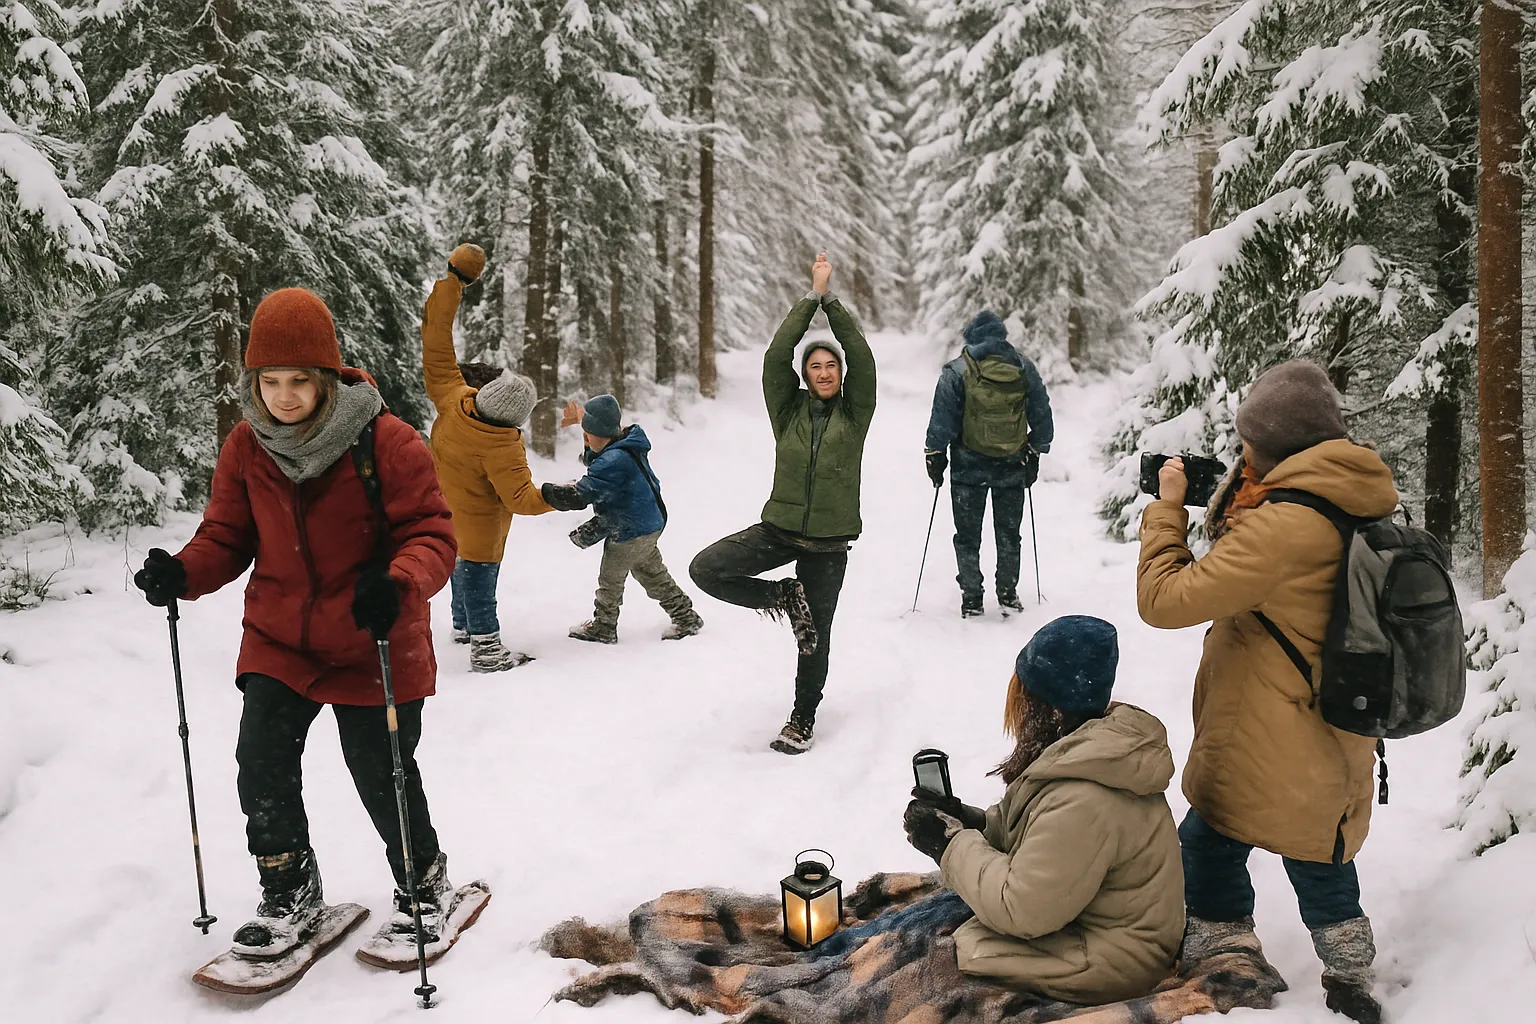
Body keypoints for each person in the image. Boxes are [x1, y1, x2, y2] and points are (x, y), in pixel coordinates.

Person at [131, 286, 462, 960]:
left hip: (374, 635)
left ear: (328, 376)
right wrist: (184, 574)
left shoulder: (386, 441)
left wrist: (398, 585)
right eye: (270, 381)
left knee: (381, 770)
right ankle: (290, 895)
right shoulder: (247, 446)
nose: (283, 396)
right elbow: (226, 535)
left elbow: (433, 534)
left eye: (299, 380)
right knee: (261, 763)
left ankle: (426, 887)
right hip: (281, 640)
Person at [1137, 360, 1396, 1024]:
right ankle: (1343, 967)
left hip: (1279, 725)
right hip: (1318, 715)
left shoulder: (1285, 525)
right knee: (1301, 842)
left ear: (1273, 444)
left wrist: (1167, 510)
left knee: (1241, 838)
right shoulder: (1347, 494)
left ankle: (1238, 949)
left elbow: (1163, 601)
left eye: (1249, 440)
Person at [903, 615, 1183, 1003]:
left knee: (953, 955)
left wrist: (950, 846)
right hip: (1094, 922)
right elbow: (1039, 836)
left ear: (1045, 707)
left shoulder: (1085, 799)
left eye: (1021, 697)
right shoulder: (1088, 746)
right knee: (959, 936)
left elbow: (1020, 909)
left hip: (1116, 955)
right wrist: (971, 822)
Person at [689, 252, 876, 754]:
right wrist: (808, 299)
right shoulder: (787, 410)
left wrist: (831, 304)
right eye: (815, 366)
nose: (824, 371)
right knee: (706, 569)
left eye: (830, 365)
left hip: (829, 543)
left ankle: (802, 718)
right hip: (779, 529)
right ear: (805, 374)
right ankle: (781, 598)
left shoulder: (855, 415)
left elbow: (862, 356)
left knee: (814, 638)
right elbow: (776, 356)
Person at [420, 243, 554, 671]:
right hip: (480, 526)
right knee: (480, 579)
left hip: (444, 509)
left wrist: (453, 283)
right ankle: (487, 651)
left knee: (461, 568)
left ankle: (461, 626)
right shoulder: (502, 445)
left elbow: (436, 341)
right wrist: (561, 494)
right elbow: (521, 499)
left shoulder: (452, 398)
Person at [540, 394, 702, 644]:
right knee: (652, 573)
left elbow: (581, 495)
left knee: (610, 580)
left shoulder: (612, 462)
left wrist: (544, 492)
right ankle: (686, 616)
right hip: (647, 522)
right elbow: (597, 456)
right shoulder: (626, 444)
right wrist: (587, 422)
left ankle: (604, 626)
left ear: (602, 434)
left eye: (587, 436)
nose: (584, 440)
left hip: (629, 529)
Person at [923, 310, 1053, 617]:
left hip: (968, 467)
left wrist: (934, 454)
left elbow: (943, 419)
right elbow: (1043, 417)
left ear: (971, 337)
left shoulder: (957, 371)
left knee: (967, 536)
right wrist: (1035, 451)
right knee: (1009, 534)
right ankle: (1008, 593)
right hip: (1012, 464)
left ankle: (972, 597)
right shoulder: (1023, 368)